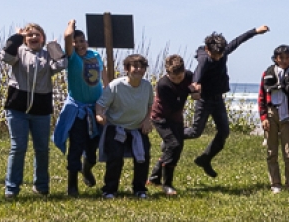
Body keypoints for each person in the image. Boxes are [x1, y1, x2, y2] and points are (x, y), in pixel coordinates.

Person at [186, 26, 269, 177]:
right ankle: (172, 135)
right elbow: (198, 73)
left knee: (224, 132)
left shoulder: (223, 52)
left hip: (218, 100)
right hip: (204, 101)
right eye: (215, 55)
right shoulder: (205, 59)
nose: (218, 57)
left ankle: (205, 159)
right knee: (194, 132)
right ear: (207, 49)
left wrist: (255, 31)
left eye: (220, 54)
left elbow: (238, 41)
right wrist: (195, 84)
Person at [0, 24, 66, 198]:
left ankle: (41, 186)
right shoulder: (19, 52)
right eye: (29, 35)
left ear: (42, 38)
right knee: (18, 147)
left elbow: (61, 65)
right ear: (24, 39)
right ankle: (12, 188)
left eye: (37, 34)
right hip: (17, 108)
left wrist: (54, 47)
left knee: (42, 149)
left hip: (41, 109)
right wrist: (15, 38)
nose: (33, 37)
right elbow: (6, 57)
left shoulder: (47, 55)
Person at [53, 19, 104, 197]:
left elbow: (104, 78)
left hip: (96, 110)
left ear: (87, 42)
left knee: (92, 150)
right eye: (76, 42)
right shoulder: (72, 58)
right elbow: (67, 36)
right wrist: (71, 25)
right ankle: (72, 185)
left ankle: (87, 168)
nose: (79, 44)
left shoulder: (96, 56)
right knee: (76, 147)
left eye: (82, 41)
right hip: (78, 112)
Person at [95, 55, 155, 199]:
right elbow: (100, 104)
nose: (139, 70)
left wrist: (148, 120)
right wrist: (99, 115)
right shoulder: (115, 85)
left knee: (143, 157)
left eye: (142, 67)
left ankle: (140, 189)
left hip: (138, 128)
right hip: (116, 127)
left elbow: (150, 106)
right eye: (135, 66)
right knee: (115, 157)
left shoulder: (147, 86)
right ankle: (109, 190)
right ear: (127, 69)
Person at [148, 55, 197, 196]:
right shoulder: (163, 84)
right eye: (173, 78)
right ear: (167, 73)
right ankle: (167, 184)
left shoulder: (189, 75)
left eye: (180, 76)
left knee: (177, 147)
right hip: (161, 118)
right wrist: (189, 90)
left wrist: (197, 88)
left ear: (184, 71)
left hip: (176, 118)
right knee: (173, 145)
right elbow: (176, 105)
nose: (177, 80)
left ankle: (154, 177)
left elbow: (197, 83)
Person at [259, 45, 289, 194]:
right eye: (281, 58)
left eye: (287, 58)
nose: (284, 60)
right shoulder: (267, 73)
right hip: (271, 114)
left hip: (288, 115)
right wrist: (264, 117)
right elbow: (261, 98)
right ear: (275, 58)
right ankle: (275, 183)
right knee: (272, 151)